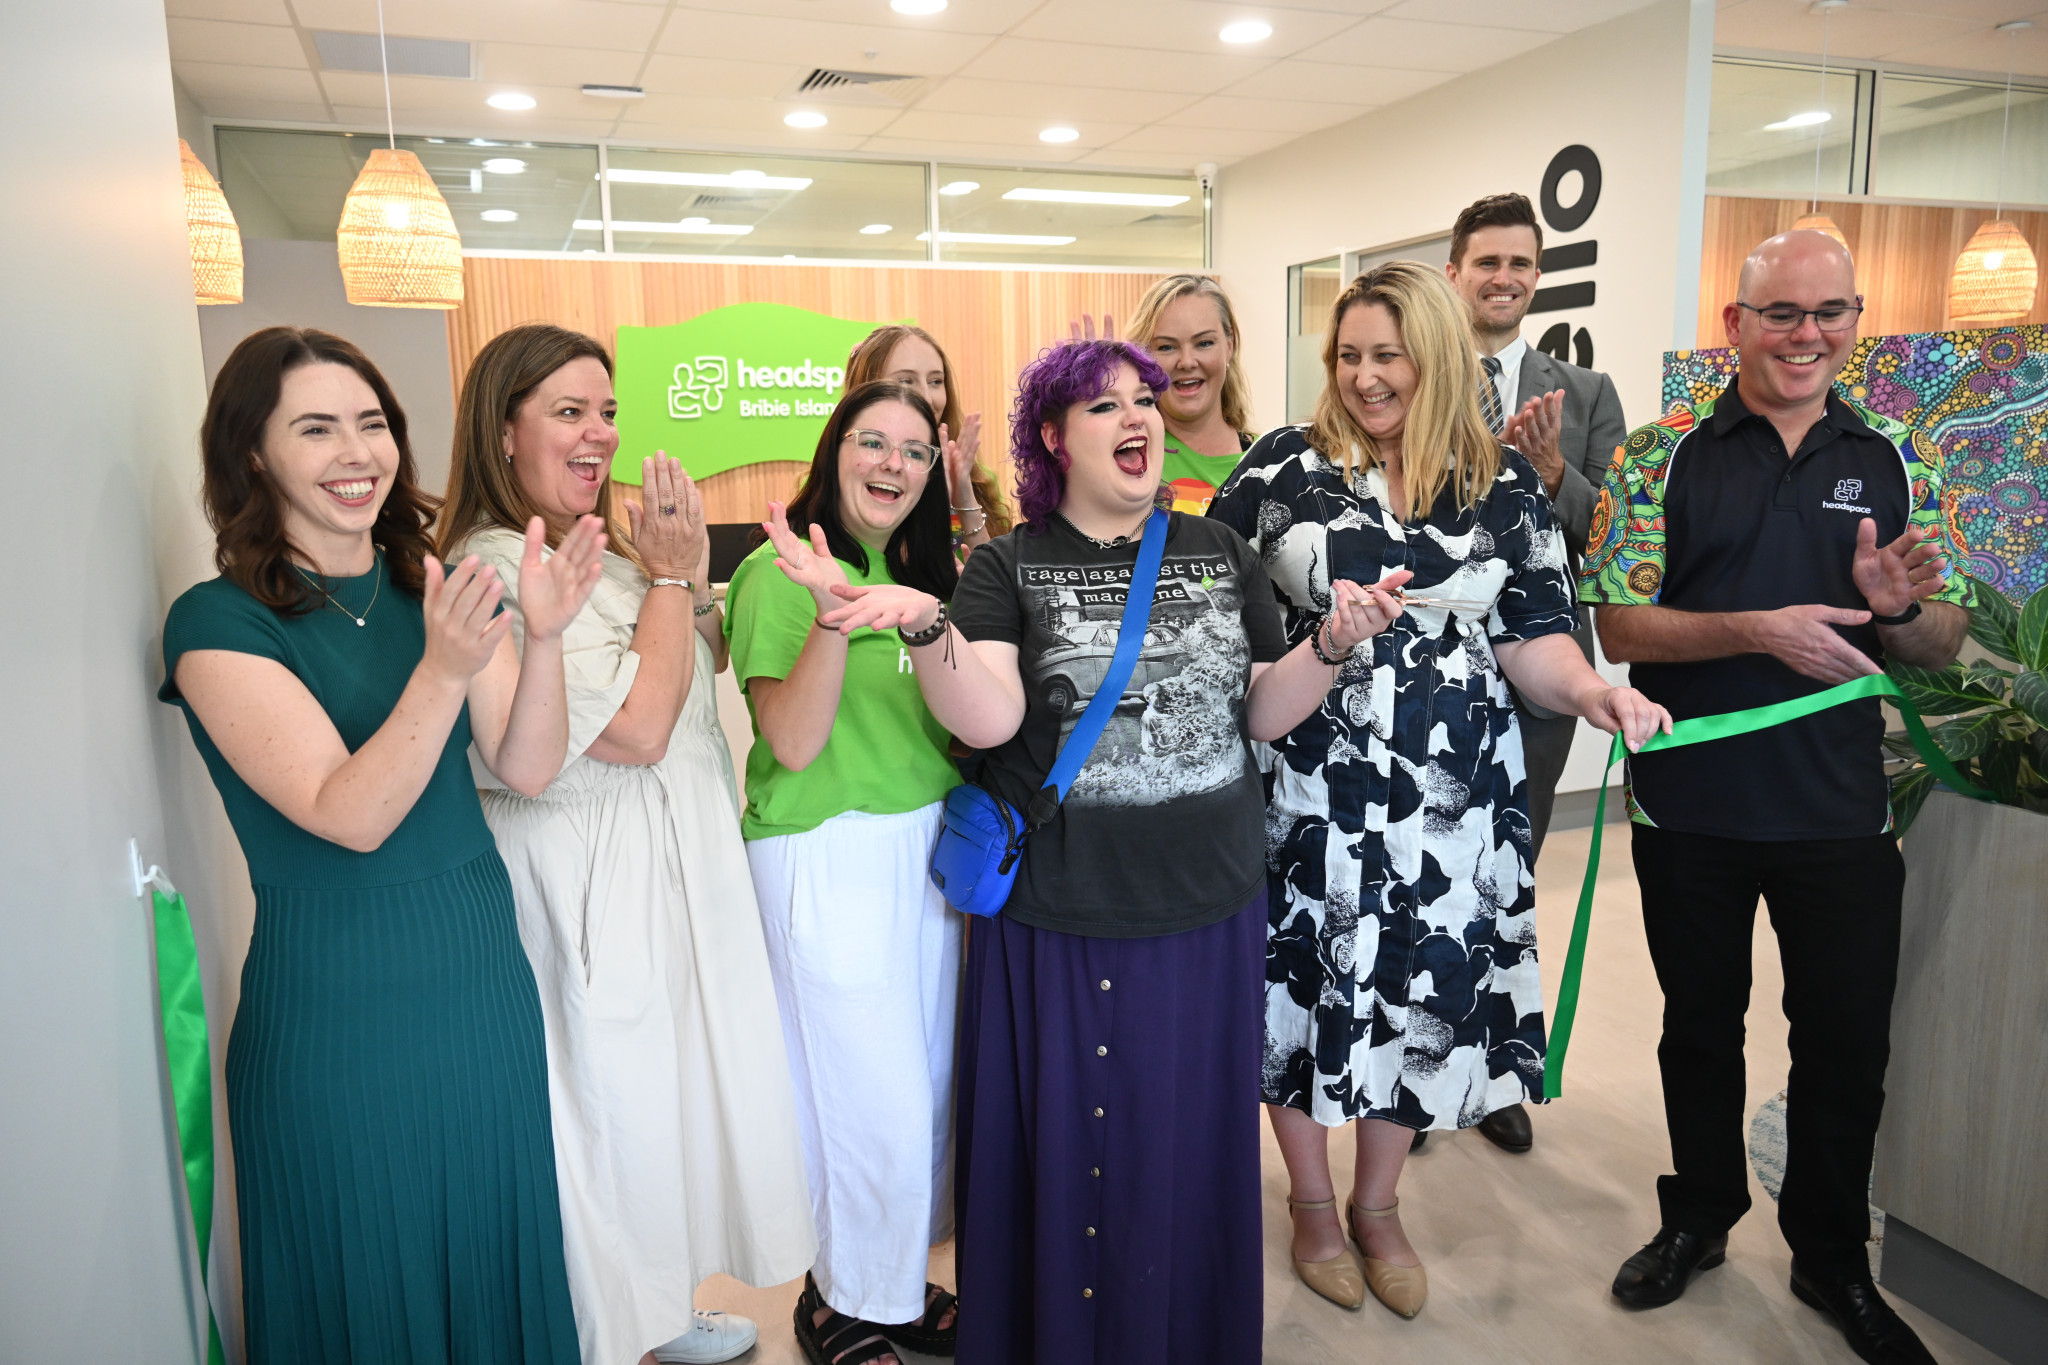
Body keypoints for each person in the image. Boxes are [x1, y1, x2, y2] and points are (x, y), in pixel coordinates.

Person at [802, 337, 1396, 1363]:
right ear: (1050, 438)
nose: (1136, 420)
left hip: (1207, 905)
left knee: (1179, 1152)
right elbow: (987, 719)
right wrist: (926, 628)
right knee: (1071, 1156)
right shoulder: (1007, 563)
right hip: (1058, 912)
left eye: (1143, 402)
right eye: (1101, 407)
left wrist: (1329, 648)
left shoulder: (1214, 549)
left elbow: (1258, 714)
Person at [1209, 262, 1670, 1320]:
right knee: (1305, 986)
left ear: (1438, 358)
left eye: (1389, 356)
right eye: (1349, 355)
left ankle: (1378, 1204)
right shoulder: (1282, 466)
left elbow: (1534, 639)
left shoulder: (1501, 483)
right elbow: (1208, 602)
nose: (1365, 378)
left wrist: (1594, 693)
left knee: (1417, 995)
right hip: (1309, 784)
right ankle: (1312, 1204)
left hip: (1451, 799)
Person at [160, 326, 606, 1364]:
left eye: (372, 425)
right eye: (316, 428)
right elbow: (346, 813)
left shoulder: (430, 586)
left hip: (477, 978)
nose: (356, 452)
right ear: (253, 455)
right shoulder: (216, 624)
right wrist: (443, 670)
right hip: (337, 1008)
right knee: (367, 1271)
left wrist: (538, 635)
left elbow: (527, 765)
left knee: (490, 1248)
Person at [1585, 229, 1968, 1365]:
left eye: (1828, 313)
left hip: (1842, 809)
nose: (1806, 337)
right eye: (1780, 315)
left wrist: (1893, 610)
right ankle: (1698, 1215)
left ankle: (1830, 1256)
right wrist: (1757, 630)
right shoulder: (1657, 456)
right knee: (1697, 1030)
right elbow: (1616, 622)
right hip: (1687, 801)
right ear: (1733, 323)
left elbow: (1937, 647)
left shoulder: (1900, 454)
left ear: (1855, 318)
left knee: (1842, 1043)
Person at [437, 324, 816, 1365]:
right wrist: (664, 580)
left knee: (664, 1103)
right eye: (567, 411)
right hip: (591, 871)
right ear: (501, 432)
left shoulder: (590, 544)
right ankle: (612, 1337)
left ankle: (655, 1311)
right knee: (607, 1112)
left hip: (669, 851)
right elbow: (636, 730)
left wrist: (686, 578)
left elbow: (692, 667)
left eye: (606, 411)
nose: (598, 433)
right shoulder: (493, 562)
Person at [724, 379, 964, 1365]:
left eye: (913, 452)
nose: (892, 467)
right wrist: (829, 614)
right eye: (872, 443)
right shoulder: (775, 574)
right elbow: (787, 738)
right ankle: (837, 1301)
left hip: (926, 848)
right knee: (867, 1100)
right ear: (834, 452)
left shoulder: (918, 568)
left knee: (929, 1090)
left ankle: (891, 1284)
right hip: (824, 848)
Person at [1439, 190, 1631, 1156]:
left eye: (1522, 263)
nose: (1505, 278)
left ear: (1536, 278)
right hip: (1427, 676)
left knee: (1507, 875)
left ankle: (1492, 1070)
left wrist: (1557, 475)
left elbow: (1611, 543)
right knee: (1426, 866)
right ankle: (1417, 1064)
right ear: (1456, 272)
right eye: (1488, 262)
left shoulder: (1584, 397)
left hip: (1542, 675)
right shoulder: (1419, 376)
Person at [844, 323, 1012, 554]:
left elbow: (996, 580)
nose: (926, 397)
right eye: (905, 381)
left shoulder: (974, 479)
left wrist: (963, 497)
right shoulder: (850, 476)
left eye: (935, 382)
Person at [1122, 274, 1257, 514]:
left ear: (1230, 345)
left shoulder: (1269, 460)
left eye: (1204, 343)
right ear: (1143, 356)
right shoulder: (1126, 456)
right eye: (1166, 347)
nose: (1186, 362)